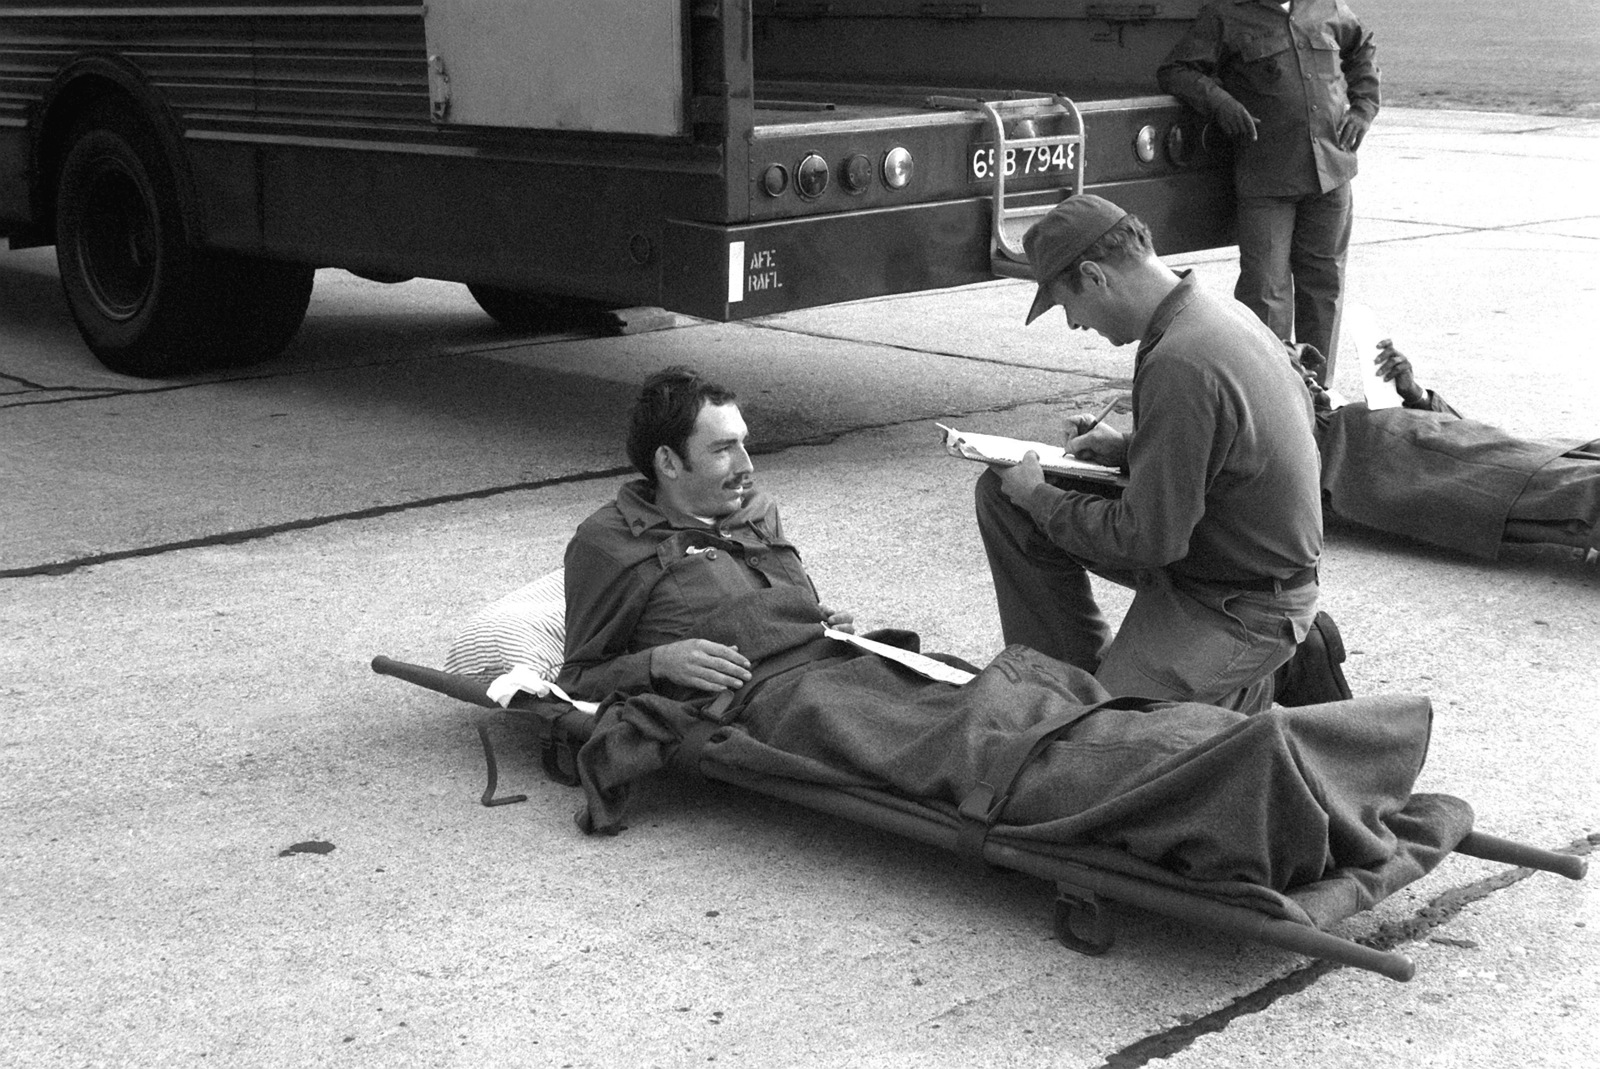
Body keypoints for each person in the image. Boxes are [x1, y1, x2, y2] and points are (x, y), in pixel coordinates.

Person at [552, 365, 1468, 910]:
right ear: (666, 462)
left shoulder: (754, 507)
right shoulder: (607, 545)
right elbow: (582, 673)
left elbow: (797, 598)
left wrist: (821, 621)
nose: (747, 467)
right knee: (997, 747)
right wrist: (659, 661)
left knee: (1034, 697)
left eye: (745, 445)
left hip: (857, 659)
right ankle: (1261, 771)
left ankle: (1294, 761)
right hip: (784, 705)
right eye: (723, 452)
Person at [977, 194, 1344, 714]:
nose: (1074, 325)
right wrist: (1131, 452)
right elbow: (1250, 445)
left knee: (1113, 741)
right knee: (1000, 493)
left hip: (1243, 602)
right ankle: (1065, 685)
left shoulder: (1181, 360)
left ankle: (1265, 676)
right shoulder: (1209, 313)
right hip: (1218, 558)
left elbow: (1149, 540)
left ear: (1095, 276)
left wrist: (1040, 497)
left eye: (1066, 305)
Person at [1158, 0, 1379, 383]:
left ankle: (1317, 391)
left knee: (1323, 285)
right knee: (1265, 291)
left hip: (1330, 172)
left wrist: (1363, 107)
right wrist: (1219, 102)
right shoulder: (1226, 14)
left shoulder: (1326, 8)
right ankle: (1270, 391)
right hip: (1268, 175)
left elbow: (1361, 50)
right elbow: (1177, 71)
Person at [1295, 342, 1600, 562]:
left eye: (1307, 372)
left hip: (1480, 444)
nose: (1310, 376)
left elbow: (1454, 425)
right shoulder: (1300, 439)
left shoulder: (1334, 410)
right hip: (1451, 473)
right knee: (1574, 487)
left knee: (1572, 463)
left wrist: (1415, 394)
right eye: (1299, 371)